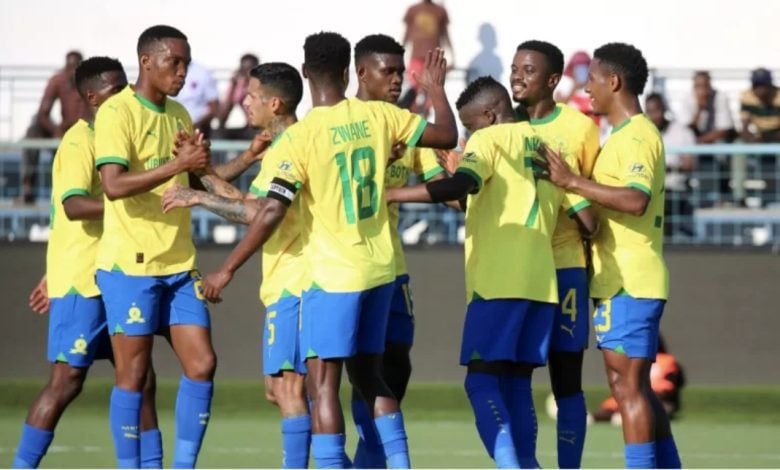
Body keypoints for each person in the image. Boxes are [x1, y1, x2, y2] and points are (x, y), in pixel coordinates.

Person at [197, 32, 457, 468]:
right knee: (373, 380)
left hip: (333, 276)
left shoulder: (301, 137)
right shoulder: (379, 116)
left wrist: (226, 269)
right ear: (346, 72)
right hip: (381, 271)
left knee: (322, 388)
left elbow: (269, 211)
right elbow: (447, 133)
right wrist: (434, 91)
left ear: (306, 73)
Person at [387, 75, 597, 468]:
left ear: (489, 114)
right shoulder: (548, 148)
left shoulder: (487, 141)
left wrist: (393, 193)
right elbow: (587, 220)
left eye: (470, 127)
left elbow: (461, 186)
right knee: (515, 383)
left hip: (499, 281)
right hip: (542, 285)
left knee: (480, 382)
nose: (468, 136)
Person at [12, 57, 162, 470]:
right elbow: (74, 206)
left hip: (115, 274)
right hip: (82, 279)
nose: (126, 94)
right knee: (66, 382)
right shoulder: (80, 142)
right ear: (91, 97)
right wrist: (59, 272)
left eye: (126, 85)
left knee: (142, 380)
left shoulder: (119, 133)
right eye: (116, 89)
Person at [538, 42, 682, 469]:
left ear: (614, 82)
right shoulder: (619, 136)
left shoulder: (637, 135)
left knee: (628, 389)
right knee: (632, 387)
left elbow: (635, 200)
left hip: (631, 278)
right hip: (617, 277)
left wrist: (572, 182)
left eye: (593, 80)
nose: (587, 88)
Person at [160, 62, 309, 469]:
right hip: (286, 280)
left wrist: (199, 199)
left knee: (289, 388)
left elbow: (260, 212)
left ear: (274, 103)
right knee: (277, 389)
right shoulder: (280, 147)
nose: (244, 101)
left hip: (297, 280)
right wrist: (203, 174)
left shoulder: (292, 145)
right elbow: (246, 203)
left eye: (252, 95)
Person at [94, 25, 215, 469]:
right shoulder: (117, 112)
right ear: (146, 61)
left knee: (202, 364)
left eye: (186, 63)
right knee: (134, 374)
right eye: (173, 63)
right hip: (130, 266)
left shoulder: (180, 114)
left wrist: (248, 160)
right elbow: (112, 185)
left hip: (178, 265)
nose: (182, 72)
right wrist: (175, 165)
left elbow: (197, 176)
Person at [350, 33, 447, 468]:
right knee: (356, 373)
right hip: (346, 268)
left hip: (393, 268)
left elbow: (441, 181)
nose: (396, 79)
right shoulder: (337, 121)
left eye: (398, 70)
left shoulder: (404, 125)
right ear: (361, 73)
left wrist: (455, 175)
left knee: (395, 369)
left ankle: (366, 457)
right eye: (387, 71)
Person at [511, 39, 601, 469]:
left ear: (551, 80)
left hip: (565, 266)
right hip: (517, 270)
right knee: (517, 377)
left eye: (528, 70)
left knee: (567, 379)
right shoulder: (499, 125)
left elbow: (589, 199)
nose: (517, 76)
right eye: (515, 68)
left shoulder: (580, 128)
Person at [20, 51, 85, 204]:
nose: (73, 71)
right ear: (65, 68)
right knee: (33, 131)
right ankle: (28, 187)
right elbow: (42, 113)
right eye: (70, 67)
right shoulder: (58, 81)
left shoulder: (88, 82)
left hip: (82, 132)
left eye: (77, 67)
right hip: (62, 131)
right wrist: (56, 131)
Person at [593, 336, 686, 423]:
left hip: (658, 398)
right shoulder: (667, 360)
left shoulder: (667, 361)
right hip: (635, 395)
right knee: (615, 405)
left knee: (659, 409)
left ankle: (618, 417)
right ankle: (606, 416)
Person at [644, 93, 696, 237]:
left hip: (675, 188)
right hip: (648, 189)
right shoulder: (642, 134)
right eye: (650, 111)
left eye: (657, 110)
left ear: (664, 109)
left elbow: (689, 164)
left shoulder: (682, 132)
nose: (655, 115)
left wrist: (668, 168)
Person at [400, 0, 453, 116]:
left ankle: (426, 116)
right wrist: (399, 53)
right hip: (416, 57)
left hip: (434, 58)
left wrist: (452, 55)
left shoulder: (440, 11)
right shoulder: (413, 10)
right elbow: (407, 33)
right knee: (414, 87)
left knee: (431, 88)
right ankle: (412, 116)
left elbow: (445, 34)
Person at [216, 53, 260, 140]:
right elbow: (222, 117)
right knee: (218, 134)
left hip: (259, 126)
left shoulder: (261, 85)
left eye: (250, 70)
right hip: (249, 127)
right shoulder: (240, 85)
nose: (248, 74)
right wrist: (233, 84)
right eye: (244, 70)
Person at [554, 50, 601, 127]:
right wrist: (574, 89)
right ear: (572, 70)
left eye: (584, 68)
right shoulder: (562, 91)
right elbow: (555, 112)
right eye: (578, 68)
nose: (581, 71)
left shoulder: (598, 92)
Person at [174, 61, 218, 137]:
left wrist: (198, 124)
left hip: (197, 130)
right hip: (171, 128)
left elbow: (214, 106)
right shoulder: (164, 71)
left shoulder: (202, 72)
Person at [740, 68, 780, 143]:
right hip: (760, 134)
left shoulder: (778, 96)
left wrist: (764, 138)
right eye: (756, 85)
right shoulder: (747, 97)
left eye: (763, 85)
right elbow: (744, 126)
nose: (760, 89)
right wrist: (750, 138)